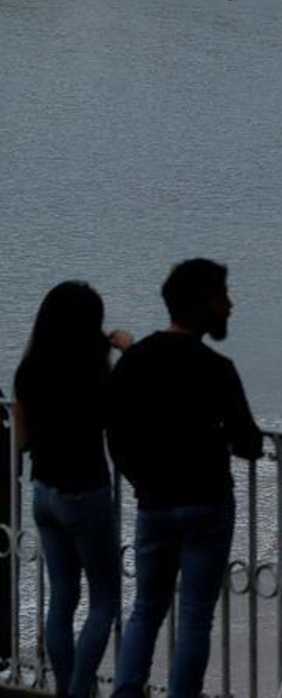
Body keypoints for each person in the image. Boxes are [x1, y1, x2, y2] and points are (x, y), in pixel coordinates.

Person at [108, 259, 264, 698]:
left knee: (146, 610)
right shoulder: (216, 368)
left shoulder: (135, 361)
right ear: (203, 304)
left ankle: (125, 691)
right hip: (207, 503)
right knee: (195, 615)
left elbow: (115, 435)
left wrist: (142, 481)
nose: (230, 305)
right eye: (222, 296)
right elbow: (250, 442)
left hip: (154, 503)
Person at [14, 282, 129, 698]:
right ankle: (79, 691)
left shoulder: (29, 370)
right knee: (104, 601)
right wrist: (129, 352)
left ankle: (66, 687)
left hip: (44, 492)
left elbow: (22, 439)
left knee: (62, 599)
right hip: (85, 492)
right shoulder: (95, 374)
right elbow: (128, 409)